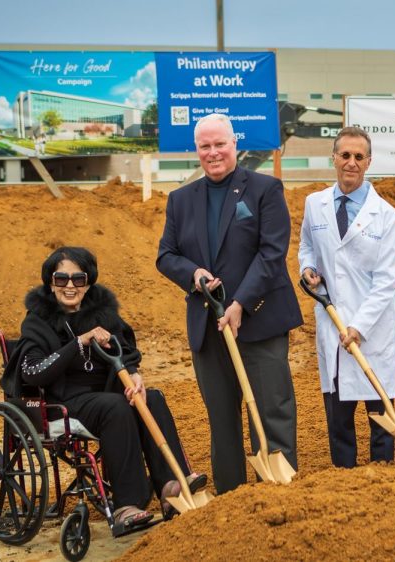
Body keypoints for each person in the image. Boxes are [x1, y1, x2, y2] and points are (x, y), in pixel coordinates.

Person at [2, 246, 205, 532]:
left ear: (88, 282)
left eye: (78, 279)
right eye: (61, 279)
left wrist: (133, 374)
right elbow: (33, 373)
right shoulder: (37, 321)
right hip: (65, 402)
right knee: (117, 408)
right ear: (50, 282)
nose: (70, 286)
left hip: (106, 393)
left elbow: (126, 351)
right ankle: (127, 504)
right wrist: (78, 343)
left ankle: (172, 485)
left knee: (152, 399)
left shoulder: (102, 312)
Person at [157, 113, 302, 494]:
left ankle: (278, 496)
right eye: (204, 146)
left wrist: (240, 302)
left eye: (219, 144)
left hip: (259, 322)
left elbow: (272, 254)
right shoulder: (180, 200)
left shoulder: (265, 189)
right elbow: (166, 255)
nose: (213, 152)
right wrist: (193, 275)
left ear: (234, 143)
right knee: (222, 422)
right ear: (197, 150)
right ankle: (232, 503)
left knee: (271, 414)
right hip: (209, 328)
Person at [299, 126, 395, 468]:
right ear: (334, 158)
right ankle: (345, 479)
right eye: (345, 155)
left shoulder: (387, 216)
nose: (351, 163)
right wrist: (307, 268)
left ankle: (384, 479)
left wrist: (359, 326)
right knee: (338, 421)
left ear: (369, 161)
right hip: (333, 325)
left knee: (380, 422)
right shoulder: (315, 205)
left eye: (359, 156)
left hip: (372, 331)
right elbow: (307, 247)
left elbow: (387, 281)